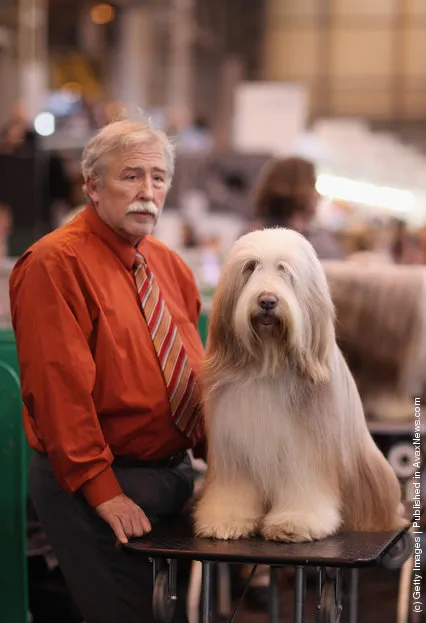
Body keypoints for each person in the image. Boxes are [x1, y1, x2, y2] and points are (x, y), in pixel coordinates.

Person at [9, 116, 206, 623]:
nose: (147, 192)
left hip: (172, 477)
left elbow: (192, 370)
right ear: (92, 185)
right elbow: (59, 394)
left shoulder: (167, 264)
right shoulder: (54, 264)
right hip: (98, 486)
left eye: (158, 177)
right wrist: (103, 490)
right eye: (131, 176)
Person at [252, 156, 344, 259]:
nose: (318, 194)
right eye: (313, 185)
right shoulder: (314, 243)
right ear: (298, 189)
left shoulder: (252, 235)